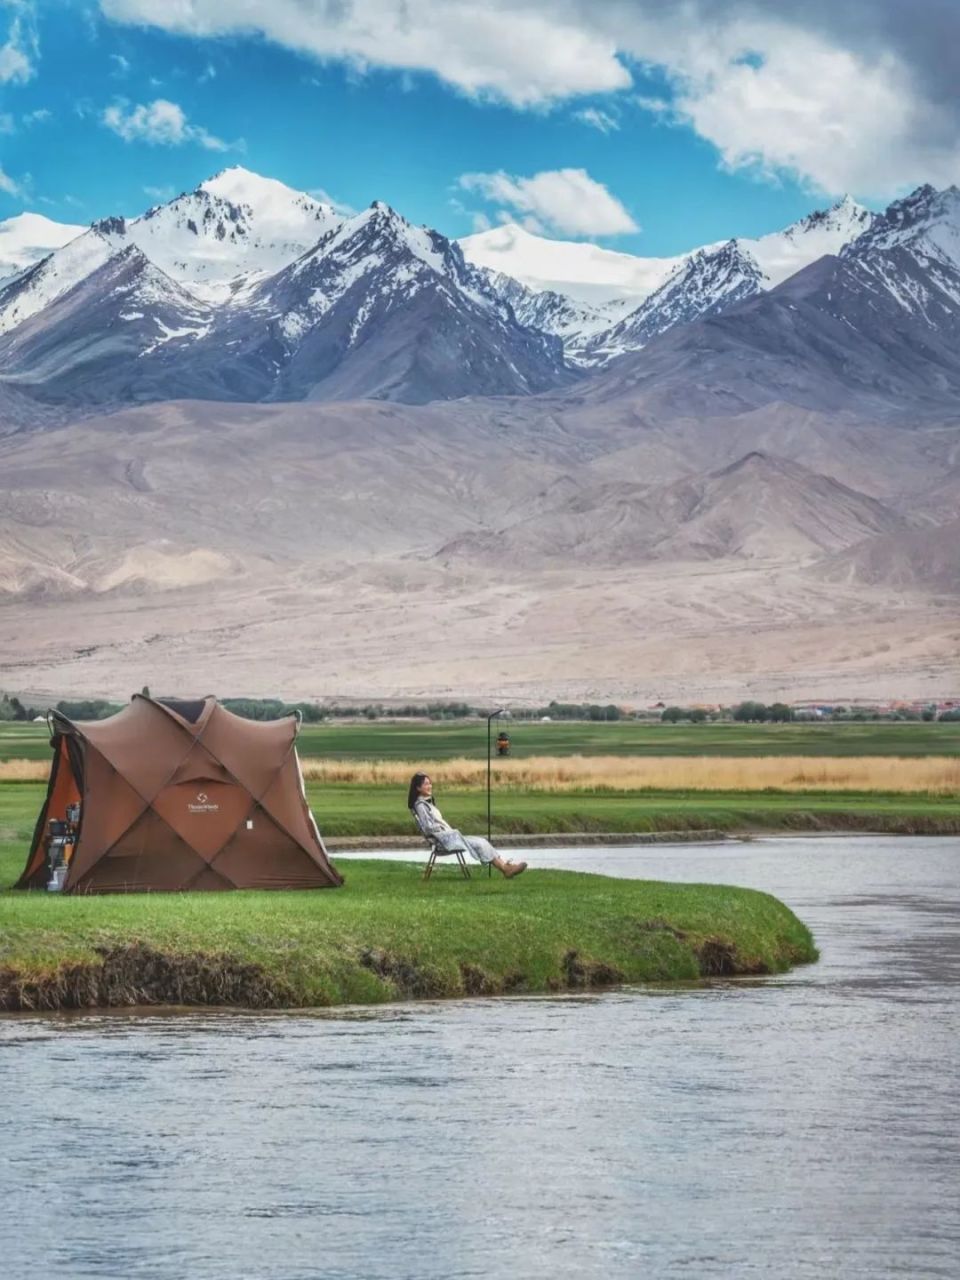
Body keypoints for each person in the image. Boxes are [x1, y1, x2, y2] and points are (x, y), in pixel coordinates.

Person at [407, 771, 527, 878]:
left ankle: (505, 867)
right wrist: (446, 831)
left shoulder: (426, 803)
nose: (429, 786)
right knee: (480, 843)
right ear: (418, 788)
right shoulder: (421, 806)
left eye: (430, 783)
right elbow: (428, 828)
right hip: (443, 841)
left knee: (481, 841)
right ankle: (505, 868)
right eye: (426, 784)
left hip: (448, 837)